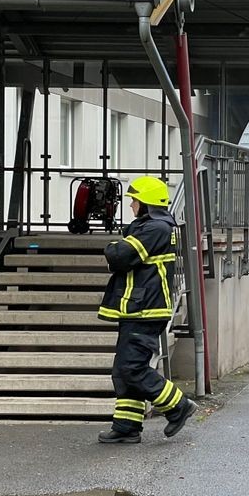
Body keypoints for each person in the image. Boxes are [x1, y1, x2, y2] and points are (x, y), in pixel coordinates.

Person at [97, 176, 197, 444]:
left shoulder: (155, 229)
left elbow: (119, 256)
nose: (131, 205)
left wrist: (114, 249)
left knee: (132, 367)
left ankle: (178, 406)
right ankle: (127, 425)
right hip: (138, 309)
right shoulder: (151, 227)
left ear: (146, 203)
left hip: (145, 309)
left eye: (135, 200)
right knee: (123, 370)